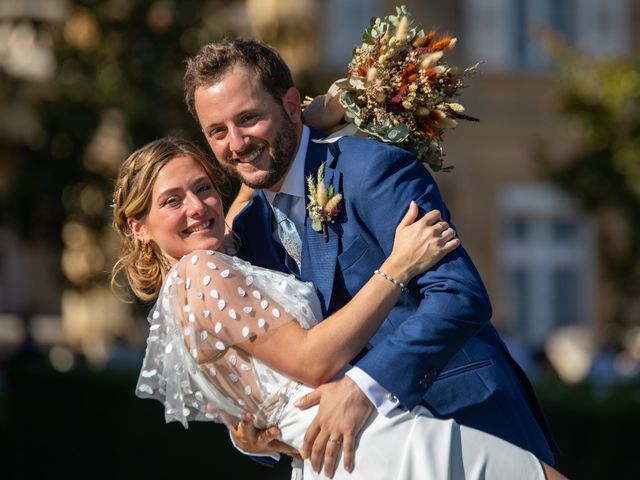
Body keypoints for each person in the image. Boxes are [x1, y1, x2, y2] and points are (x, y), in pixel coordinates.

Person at [182, 38, 559, 476]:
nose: (237, 142)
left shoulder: (371, 169)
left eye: (249, 118)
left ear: (290, 106)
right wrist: (253, 438)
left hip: (464, 426)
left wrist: (365, 387)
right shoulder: (248, 234)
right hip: (362, 460)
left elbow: (459, 296)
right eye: (218, 131)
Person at [112, 137, 563, 479]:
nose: (197, 207)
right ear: (139, 228)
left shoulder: (186, 286)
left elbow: (236, 207)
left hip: (326, 458)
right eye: (172, 200)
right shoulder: (204, 270)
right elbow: (312, 359)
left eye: (204, 188)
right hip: (371, 438)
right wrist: (398, 266)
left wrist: (306, 124)